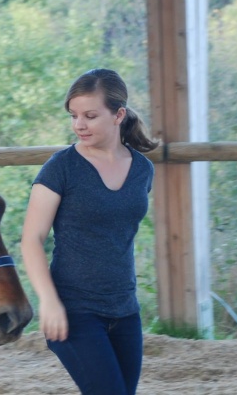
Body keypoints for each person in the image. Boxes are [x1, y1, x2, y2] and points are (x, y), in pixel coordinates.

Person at [21, 68, 159, 395]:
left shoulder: (143, 169)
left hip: (126, 310)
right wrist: (49, 302)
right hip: (73, 311)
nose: (79, 124)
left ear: (118, 115)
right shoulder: (61, 168)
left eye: (90, 115)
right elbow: (31, 240)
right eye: (73, 116)